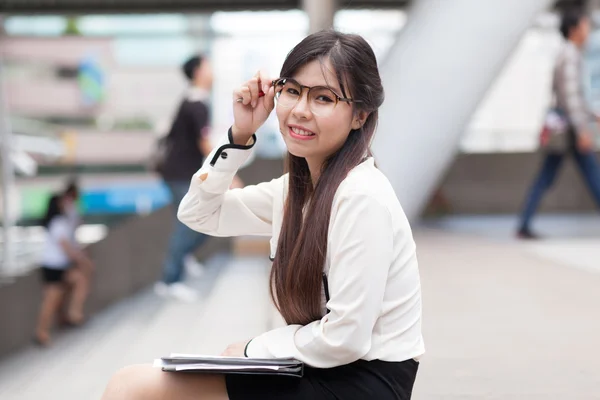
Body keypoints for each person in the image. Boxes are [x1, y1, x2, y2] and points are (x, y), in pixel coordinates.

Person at [101, 30, 424, 400]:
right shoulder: (294, 191)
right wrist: (240, 135)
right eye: (292, 91)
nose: (301, 110)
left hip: (360, 384)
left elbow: (347, 337)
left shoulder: (362, 196)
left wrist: (252, 349)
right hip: (315, 367)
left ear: (359, 115)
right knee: (128, 384)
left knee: (133, 388)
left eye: (323, 97)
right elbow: (198, 214)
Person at [517, 8, 600, 239]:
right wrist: (584, 128)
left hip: (564, 128)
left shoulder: (567, 53)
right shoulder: (570, 55)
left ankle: (524, 223)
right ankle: (523, 223)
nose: (588, 31)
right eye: (584, 26)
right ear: (573, 30)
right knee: (593, 175)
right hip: (570, 129)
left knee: (548, 176)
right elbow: (571, 97)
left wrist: (591, 116)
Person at [154, 54, 215, 302]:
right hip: (178, 172)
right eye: (208, 65)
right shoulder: (195, 102)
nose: (213, 70)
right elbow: (205, 143)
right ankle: (170, 281)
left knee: (200, 220)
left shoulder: (193, 99)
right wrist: (227, 173)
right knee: (188, 223)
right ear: (199, 71)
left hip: (180, 171)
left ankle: (184, 256)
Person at [35, 191, 93, 346]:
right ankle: (42, 333)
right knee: (51, 302)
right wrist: (81, 259)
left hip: (60, 266)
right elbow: (65, 246)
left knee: (78, 282)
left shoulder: (61, 221)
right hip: (53, 268)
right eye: (63, 202)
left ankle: (73, 315)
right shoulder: (58, 222)